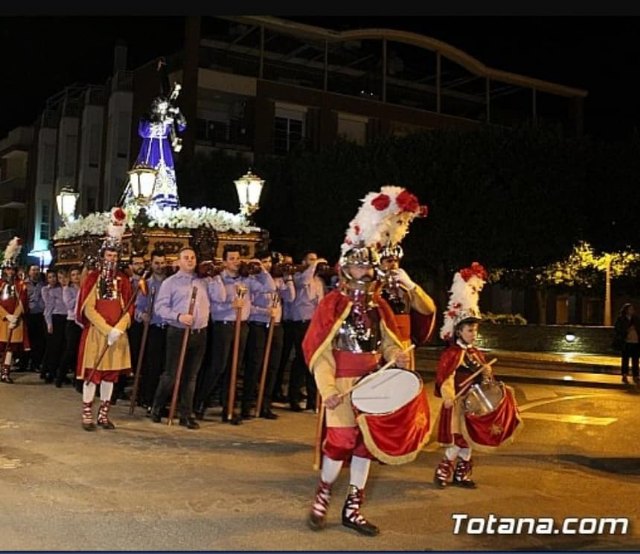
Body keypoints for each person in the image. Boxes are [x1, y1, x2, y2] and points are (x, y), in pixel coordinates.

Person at [434, 262, 492, 489]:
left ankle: (462, 475)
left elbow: (486, 376)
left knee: (470, 440)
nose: (473, 333)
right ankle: (443, 472)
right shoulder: (452, 353)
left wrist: (487, 372)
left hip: (474, 403)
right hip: (458, 402)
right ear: (458, 331)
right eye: (470, 330)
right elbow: (446, 377)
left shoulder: (476, 352)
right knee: (457, 440)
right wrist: (448, 396)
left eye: (475, 330)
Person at [75, 212, 133, 431]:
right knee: (92, 374)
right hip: (97, 335)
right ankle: (87, 414)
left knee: (110, 375)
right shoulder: (92, 279)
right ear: (102, 257)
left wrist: (118, 329)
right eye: (109, 256)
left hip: (117, 336)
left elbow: (129, 307)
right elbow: (87, 308)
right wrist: (106, 329)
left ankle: (104, 414)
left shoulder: (124, 280)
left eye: (115, 256)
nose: (112, 259)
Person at [150, 246, 209, 430]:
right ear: (178, 261)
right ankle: (157, 407)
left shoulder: (203, 281)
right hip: (178, 331)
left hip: (199, 332)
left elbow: (217, 299)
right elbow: (160, 308)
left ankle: (186, 414)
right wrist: (179, 316)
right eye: (186, 257)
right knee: (171, 374)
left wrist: (213, 278)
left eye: (193, 257)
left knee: (191, 376)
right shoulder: (170, 282)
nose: (190, 260)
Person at [243, 250, 295, 420]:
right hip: (258, 325)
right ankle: (247, 405)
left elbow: (291, 297)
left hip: (276, 326)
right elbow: (247, 306)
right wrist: (265, 311)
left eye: (268, 262)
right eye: (262, 262)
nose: (266, 265)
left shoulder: (277, 280)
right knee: (255, 365)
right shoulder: (250, 280)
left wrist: (289, 277)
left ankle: (265, 404)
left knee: (272, 366)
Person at [127, 93, 187, 210]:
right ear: (156, 108)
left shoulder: (169, 118)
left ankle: (166, 198)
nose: (163, 110)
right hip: (151, 147)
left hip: (164, 149)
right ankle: (144, 199)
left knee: (165, 173)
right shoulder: (148, 117)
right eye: (161, 108)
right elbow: (143, 131)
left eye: (165, 108)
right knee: (147, 171)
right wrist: (162, 122)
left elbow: (182, 126)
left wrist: (177, 113)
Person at [289, 251, 326, 412]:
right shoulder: (298, 277)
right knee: (301, 360)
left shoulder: (318, 281)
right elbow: (304, 281)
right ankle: (294, 397)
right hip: (301, 322)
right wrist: (313, 265)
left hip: (314, 323)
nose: (314, 263)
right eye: (310, 260)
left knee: (314, 360)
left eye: (315, 260)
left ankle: (312, 400)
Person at [134, 250, 168, 411]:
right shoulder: (146, 284)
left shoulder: (171, 283)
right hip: (153, 328)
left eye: (162, 263)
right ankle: (148, 398)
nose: (160, 266)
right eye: (157, 263)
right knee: (152, 365)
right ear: (151, 264)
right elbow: (138, 308)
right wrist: (142, 314)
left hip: (170, 327)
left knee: (167, 366)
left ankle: (163, 400)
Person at [0, 237, 30, 384]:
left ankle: (6, 372)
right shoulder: (0, 284)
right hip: (1, 320)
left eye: (12, 269)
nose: (10, 272)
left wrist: (15, 317)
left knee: (10, 348)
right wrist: (6, 316)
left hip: (15, 322)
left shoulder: (21, 285)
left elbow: (22, 301)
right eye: (7, 269)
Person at [57, 265, 82, 388]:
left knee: (80, 351)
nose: (76, 277)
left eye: (78, 274)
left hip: (83, 323)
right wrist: (80, 295)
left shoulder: (84, 287)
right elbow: (69, 305)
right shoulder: (67, 289)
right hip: (72, 322)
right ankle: (60, 375)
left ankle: (78, 378)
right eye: (73, 275)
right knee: (70, 350)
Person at [20, 263, 46, 373]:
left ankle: (36, 363)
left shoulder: (43, 284)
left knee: (38, 341)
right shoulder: (24, 284)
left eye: (37, 270)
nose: (35, 272)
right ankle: (23, 363)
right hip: (28, 314)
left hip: (40, 315)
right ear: (29, 271)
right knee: (26, 340)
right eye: (33, 270)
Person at [613, 303, 640, 384]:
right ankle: (624, 374)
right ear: (626, 310)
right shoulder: (621, 319)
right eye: (630, 309)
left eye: (632, 309)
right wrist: (626, 330)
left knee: (635, 359)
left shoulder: (636, 318)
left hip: (636, 341)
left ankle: (636, 374)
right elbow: (617, 329)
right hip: (626, 341)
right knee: (625, 359)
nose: (631, 311)